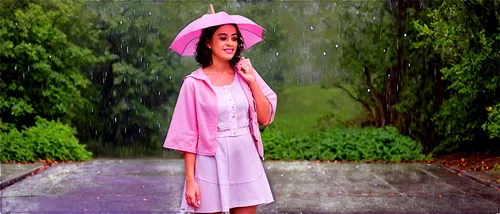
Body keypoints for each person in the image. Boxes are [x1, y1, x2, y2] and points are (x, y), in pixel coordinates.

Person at [163, 23, 277, 214]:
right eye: (223, 38)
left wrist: (252, 81)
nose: (230, 43)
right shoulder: (193, 83)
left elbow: (265, 118)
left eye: (234, 38)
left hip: (245, 158)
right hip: (209, 161)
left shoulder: (246, 73)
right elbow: (188, 135)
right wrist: (190, 180)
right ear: (208, 43)